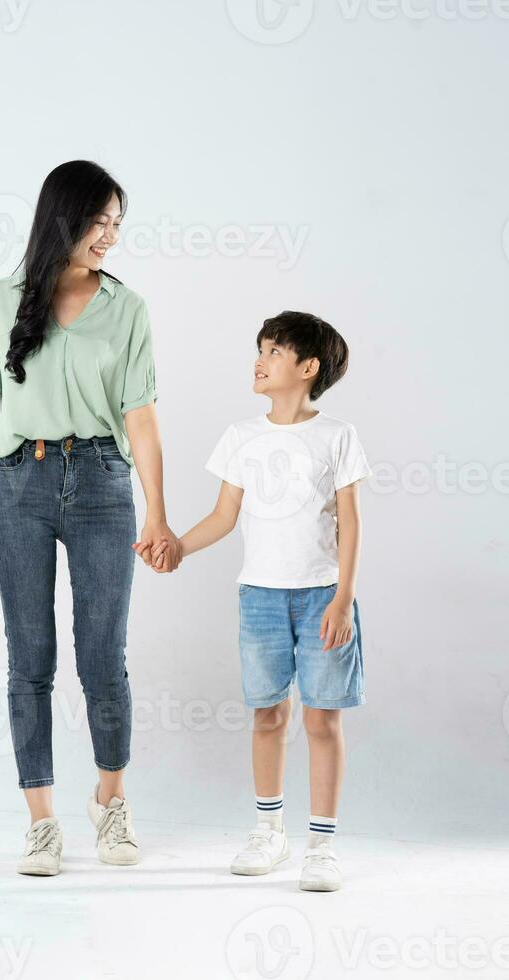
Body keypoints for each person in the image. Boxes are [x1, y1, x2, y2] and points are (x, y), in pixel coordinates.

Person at [0, 160, 182, 876]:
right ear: (62, 217)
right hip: (17, 487)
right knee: (30, 659)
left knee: (103, 657)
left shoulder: (128, 307)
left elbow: (141, 417)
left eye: (117, 223)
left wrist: (160, 514)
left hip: (105, 484)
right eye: (98, 220)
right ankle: (41, 820)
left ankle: (111, 803)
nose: (109, 235)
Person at [134, 311, 373, 891]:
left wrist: (343, 598)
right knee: (268, 715)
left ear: (307, 367)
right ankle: (270, 832)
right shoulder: (241, 437)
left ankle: (322, 843)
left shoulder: (337, 436)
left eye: (272, 351)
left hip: (321, 595)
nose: (259, 360)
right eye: (259, 349)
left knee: (322, 718)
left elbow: (350, 522)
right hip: (260, 596)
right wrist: (178, 548)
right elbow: (224, 516)